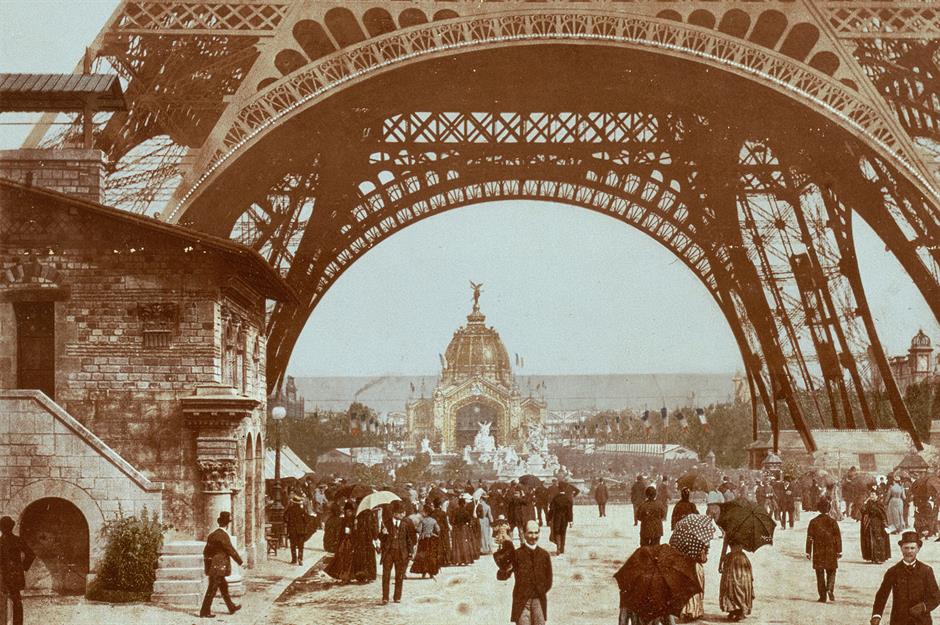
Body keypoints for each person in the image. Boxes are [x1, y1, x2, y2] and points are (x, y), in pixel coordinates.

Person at [871, 531, 940, 625]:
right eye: (906, 548)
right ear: (901, 549)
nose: (909, 551)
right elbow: (882, 595)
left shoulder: (926, 571)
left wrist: (924, 607)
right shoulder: (893, 571)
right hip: (899, 620)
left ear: (918, 549)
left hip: (922, 621)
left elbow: (936, 596)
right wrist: (876, 615)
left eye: (912, 548)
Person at [501, 520, 552, 625]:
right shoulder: (517, 554)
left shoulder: (544, 555)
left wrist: (539, 591)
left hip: (538, 599)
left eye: (536, 533)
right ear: (524, 534)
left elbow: (548, 580)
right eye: (530, 533)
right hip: (521, 601)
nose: (533, 536)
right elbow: (502, 575)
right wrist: (505, 550)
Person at [200, 511, 242, 619]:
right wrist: (240, 561)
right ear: (227, 524)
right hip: (219, 567)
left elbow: (206, 551)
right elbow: (230, 550)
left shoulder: (212, 535)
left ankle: (231, 607)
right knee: (212, 589)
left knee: (223, 587)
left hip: (213, 566)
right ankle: (204, 611)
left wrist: (209, 565)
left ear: (219, 522)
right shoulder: (224, 536)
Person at [379, 501, 417, 604]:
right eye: (400, 513)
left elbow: (409, 539)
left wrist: (410, 552)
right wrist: (383, 534)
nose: (403, 515)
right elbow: (381, 538)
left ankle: (397, 597)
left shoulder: (405, 524)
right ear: (394, 514)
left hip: (401, 553)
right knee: (386, 575)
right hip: (388, 553)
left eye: (403, 513)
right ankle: (385, 597)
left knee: (399, 575)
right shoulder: (386, 523)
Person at [0, 516, 34, 625]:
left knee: (3, 601)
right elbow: (31, 554)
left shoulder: (1, 542)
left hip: (3, 576)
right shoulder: (17, 540)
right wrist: (23, 567)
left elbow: (31, 554)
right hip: (15, 575)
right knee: (16, 601)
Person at [806, 499, 841, 603]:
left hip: (818, 550)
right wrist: (839, 551)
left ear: (818, 509)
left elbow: (809, 537)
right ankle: (830, 588)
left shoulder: (813, 522)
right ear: (829, 509)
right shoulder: (833, 521)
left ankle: (822, 596)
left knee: (819, 573)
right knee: (832, 571)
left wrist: (808, 551)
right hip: (831, 550)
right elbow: (838, 537)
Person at [719, 538, 753, 622]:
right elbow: (749, 548)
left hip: (731, 559)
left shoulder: (728, 533)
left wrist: (720, 564)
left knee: (730, 585)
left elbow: (724, 550)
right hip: (742, 559)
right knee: (741, 584)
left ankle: (733, 609)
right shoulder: (744, 533)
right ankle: (740, 609)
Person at [325, 502, 357, 582]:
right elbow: (340, 531)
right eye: (347, 511)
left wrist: (352, 531)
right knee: (341, 557)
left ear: (352, 511)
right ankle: (343, 575)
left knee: (349, 559)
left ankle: (347, 576)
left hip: (351, 541)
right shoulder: (343, 520)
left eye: (349, 511)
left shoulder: (354, 520)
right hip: (344, 541)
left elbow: (356, 532)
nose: (348, 513)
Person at [861, 488, 892, 564]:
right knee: (870, 540)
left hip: (878, 525)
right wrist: (865, 503)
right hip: (869, 524)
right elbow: (863, 511)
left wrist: (885, 524)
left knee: (878, 540)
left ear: (877, 496)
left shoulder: (879, 504)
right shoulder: (868, 503)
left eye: (873, 494)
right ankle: (873, 557)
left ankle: (879, 558)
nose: (871, 496)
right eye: (871, 494)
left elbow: (882, 514)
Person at [411, 505, 440, 579]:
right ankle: (431, 573)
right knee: (431, 555)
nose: (422, 513)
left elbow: (419, 530)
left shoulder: (422, 521)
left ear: (426, 513)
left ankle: (423, 572)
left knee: (423, 555)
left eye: (423, 512)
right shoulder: (433, 520)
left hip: (423, 539)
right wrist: (432, 533)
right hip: (431, 539)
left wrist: (415, 528)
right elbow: (438, 529)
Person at [548, 486, 574, 555]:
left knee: (557, 532)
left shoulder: (555, 498)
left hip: (557, 518)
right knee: (563, 532)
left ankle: (558, 547)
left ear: (559, 489)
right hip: (565, 519)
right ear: (564, 490)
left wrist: (549, 518)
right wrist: (571, 521)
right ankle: (562, 548)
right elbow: (570, 511)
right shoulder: (568, 499)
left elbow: (551, 509)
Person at [284, 493, 308, 566]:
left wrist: (288, 522)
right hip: (301, 530)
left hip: (292, 529)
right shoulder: (302, 510)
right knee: (301, 545)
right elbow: (306, 520)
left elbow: (285, 517)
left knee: (293, 545)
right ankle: (300, 558)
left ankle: (294, 559)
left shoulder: (290, 509)